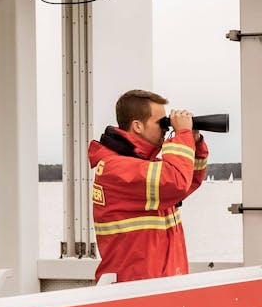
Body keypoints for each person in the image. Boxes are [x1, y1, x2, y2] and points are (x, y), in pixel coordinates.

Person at [88, 89, 209, 282]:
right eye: (161, 123)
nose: (165, 128)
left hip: (160, 285)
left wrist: (194, 141)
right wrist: (182, 134)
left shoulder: (143, 165)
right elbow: (176, 182)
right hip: (134, 290)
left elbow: (188, 182)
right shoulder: (116, 168)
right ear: (137, 126)